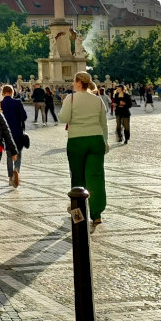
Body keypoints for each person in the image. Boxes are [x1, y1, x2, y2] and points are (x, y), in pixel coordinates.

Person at [60, 71, 110, 227]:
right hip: (96, 140)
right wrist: (105, 141)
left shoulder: (71, 98)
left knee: (78, 177)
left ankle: (79, 211)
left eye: (74, 81)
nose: (73, 84)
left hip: (77, 140)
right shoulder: (97, 100)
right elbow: (104, 123)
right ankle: (97, 214)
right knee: (96, 177)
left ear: (79, 83)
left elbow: (64, 118)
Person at [0, 85, 27, 187]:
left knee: (9, 155)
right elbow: (24, 116)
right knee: (18, 152)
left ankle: (11, 177)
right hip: (17, 131)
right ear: (12, 92)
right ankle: (17, 169)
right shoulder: (17, 102)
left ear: (3, 92)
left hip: (6, 133)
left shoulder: (1, 104)